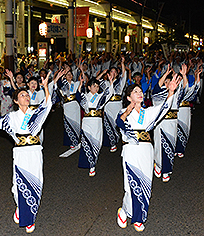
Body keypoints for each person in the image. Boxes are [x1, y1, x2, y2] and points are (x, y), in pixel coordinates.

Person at [0, 72, 52, 234]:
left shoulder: (35, 114)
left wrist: (45, 86)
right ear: (16, 100)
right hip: (20, 152)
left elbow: (47, 104)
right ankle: (20, 206)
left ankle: (30, 218)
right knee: (17, 186)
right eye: (22, 95)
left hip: (35, 151)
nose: (26, 97)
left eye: (27, 95)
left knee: (36, 183)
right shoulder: (12, 117)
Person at [116, 75, 180, 232]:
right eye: (135, 91)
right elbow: (119, 123)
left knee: (145, 184)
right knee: (131, 185)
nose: (139, 93)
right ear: (128, 97)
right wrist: (129, 109)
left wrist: (171, 92)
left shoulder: (147, 112)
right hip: (131, 150)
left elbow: (163, 108)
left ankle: (139, 217)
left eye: (140, 91)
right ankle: (125, 210)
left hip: (146, 150)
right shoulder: (123, 111)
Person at [76, 75, 114, 176]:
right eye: (94, 86)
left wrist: (110, 82)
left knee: (98, 142)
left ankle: (93, 160)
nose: (96, 88)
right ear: (89, 87)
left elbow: (109, 93)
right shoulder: (85, 96)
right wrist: (80, 84)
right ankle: (91, 165)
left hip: (97, 122)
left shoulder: (100, 96)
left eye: (97, 86)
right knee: (87, 142)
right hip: (87, 121)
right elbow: (78, 96)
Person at [101, 57, 127, 152]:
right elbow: (95, 81)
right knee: (109, 125)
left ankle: (124, 141)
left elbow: (124, 75)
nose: (113, 73)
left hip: (117, 105)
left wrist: (123, 63)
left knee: (119, 124)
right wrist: (102, 74)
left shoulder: (120, 82)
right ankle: (113, 143)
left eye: (115, 72)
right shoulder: (105, 83)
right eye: (111, 71)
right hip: (108, 106)